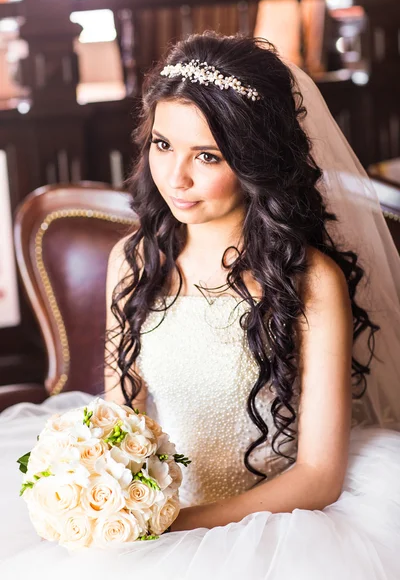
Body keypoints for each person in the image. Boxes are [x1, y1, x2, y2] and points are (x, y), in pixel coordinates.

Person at [0, 31, 400, 579]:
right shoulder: (133, 261)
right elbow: (122, 420)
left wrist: (183, 526)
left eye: (206, 156)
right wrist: (108, 499)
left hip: (274, 528)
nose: (176, 178)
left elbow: (319, 475)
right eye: (162, 145)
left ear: (254, 159)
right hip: (152, 520)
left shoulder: (309, 281)